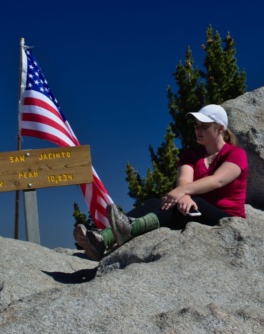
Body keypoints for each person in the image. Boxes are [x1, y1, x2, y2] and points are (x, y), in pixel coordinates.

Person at [73, 104, 248, 260]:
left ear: (221, 128)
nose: (197, 129)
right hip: (194, 208)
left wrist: (183, 192)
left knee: (190, 205)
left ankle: (131, 228)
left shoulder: (235, 154)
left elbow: (218, 180)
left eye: (204, 126)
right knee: (156, 203)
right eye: (196, 125)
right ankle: (102, 240)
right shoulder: (190, 156)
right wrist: (183, 194)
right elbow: (184, 180)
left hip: (227, 216)